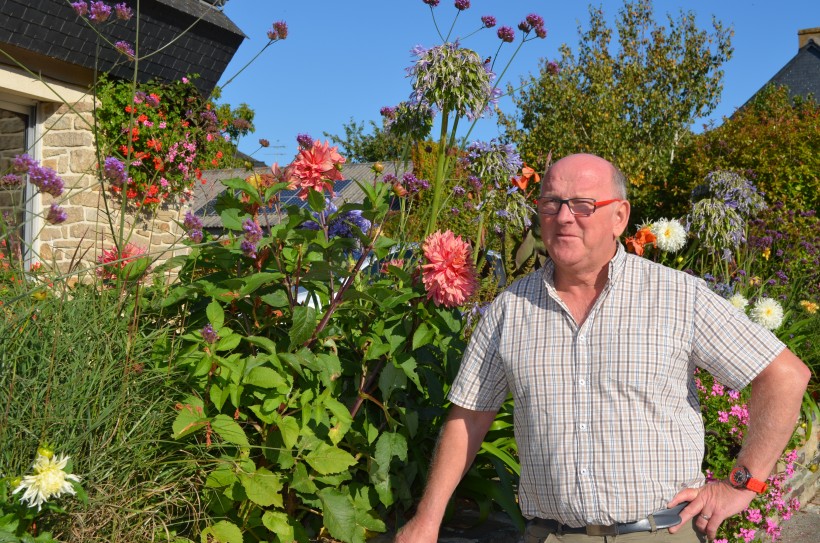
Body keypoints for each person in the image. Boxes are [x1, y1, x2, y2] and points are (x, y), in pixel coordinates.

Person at [395, 153, 810, 543]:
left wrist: (742, 484)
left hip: (659, 533)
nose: (563, 218)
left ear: (619, 216)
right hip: (552, 535)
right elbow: (469, 415)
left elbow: (785, 375)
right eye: (551, 203)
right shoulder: (510, 310)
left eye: (582, 205)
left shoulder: (676, 295)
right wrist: (427, 519)